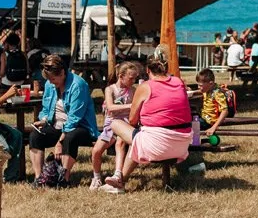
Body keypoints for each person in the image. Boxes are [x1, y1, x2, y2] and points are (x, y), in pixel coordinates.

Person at [103, 52, 194, 193]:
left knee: (116, 124)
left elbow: (132, 120)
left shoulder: (145, 87)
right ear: (166, 68)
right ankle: (119, 180)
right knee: (139, 138)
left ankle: (119, 179)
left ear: (147, 70)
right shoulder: (178, 82)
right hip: (182, 144)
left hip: (157, 145)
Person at [27, 54, 99, 187]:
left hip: (80, 127)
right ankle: (39, 178)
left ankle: (64, 179)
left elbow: (74, 118)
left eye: (53, 79)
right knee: (35, 136)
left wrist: (59, 142)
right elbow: (46, 107)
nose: (51, 82)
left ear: (62, 73)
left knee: (70, 137)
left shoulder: (78, 85)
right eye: (49, 79)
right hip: (57, 124)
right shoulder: (49, 84)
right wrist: (43, 119)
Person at [89, 61, 139, 190]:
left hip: (125, 124)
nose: (133, 80)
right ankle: (97, 177)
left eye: (135, 78)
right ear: (121, 76)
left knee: (120, 143)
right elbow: (110, 107)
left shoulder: (132, 90)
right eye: (131, 78)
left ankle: (117, 174)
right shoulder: (110, 89)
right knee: (96, 151)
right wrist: (130, 106)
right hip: (111, 124)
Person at [196, 68, 231, 140]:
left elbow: (225, 110)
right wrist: (193, 92)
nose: (198, 87)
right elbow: (201, 91)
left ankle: (194, 142)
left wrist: (214, 127)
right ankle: (194, 142)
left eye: (200, 85)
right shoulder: (208, 89)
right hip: (204, 117)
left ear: (210, 83)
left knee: (189, 124)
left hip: (209, 121)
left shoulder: (217, 93)